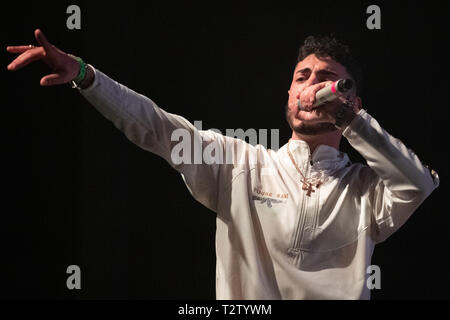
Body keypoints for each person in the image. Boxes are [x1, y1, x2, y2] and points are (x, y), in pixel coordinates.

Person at [7, 29, 439, 299]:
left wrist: (350, 121)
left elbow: (418, 184)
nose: (310, 86)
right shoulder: (238, 162)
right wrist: (86, 76)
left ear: (352, 99)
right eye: (301, 77)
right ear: (288, 96)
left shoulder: (367, 188)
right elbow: (157, 127)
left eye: (325, 78)